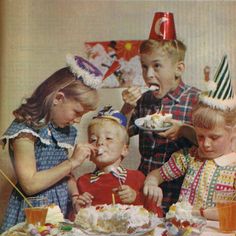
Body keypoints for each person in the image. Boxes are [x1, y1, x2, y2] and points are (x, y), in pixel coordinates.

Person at [0, 54, 103, 233]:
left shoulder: (64, 131)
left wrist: (75, 196)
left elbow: (65, 175)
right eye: (77, 112)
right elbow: (30, 185)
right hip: (33, 212)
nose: (78, 120)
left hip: (59, 208)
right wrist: (72, 162)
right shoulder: (25, 129)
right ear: (58, 98)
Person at [120, 12, 200, 214]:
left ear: (178, 69)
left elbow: (213, 143)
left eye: (156, 66)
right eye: (144, 67)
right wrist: (127, 108)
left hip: (182, 192)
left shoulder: (196, 100)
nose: (148, 75)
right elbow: (120, 137)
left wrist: (183, 130)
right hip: (145, 189)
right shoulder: (145, 100)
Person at [143, 55, 236, 220]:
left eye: (214, 137)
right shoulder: (190, 157)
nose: (205, 144)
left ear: (233, 132)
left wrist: (198, 213)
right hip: (184, 234)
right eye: (200, 136)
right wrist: (152, 183)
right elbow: (156, 175)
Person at [68, 107, 163, 219]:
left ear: (124, 149)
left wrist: (136, 198)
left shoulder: (138, 177)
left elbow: (155, 215)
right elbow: (73, 221)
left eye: (108, 138)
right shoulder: (83, 182)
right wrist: (79, 210)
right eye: (93, 140)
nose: (100, 142)